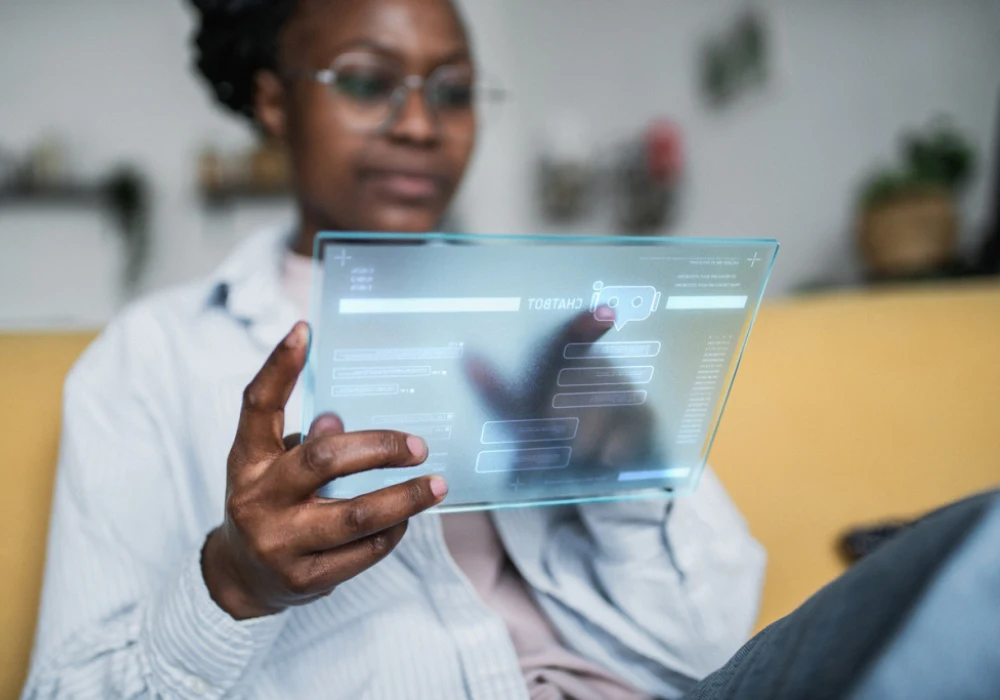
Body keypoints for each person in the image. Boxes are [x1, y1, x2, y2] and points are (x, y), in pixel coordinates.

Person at [22, 0, 765, 698]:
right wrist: (233, 585)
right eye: (367, 81)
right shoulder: (152, 357)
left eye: (452, 91)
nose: (419, 123)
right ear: (275, 101)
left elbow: (714, 652)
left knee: (884, 586)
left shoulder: (558, 317)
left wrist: (626, 478)